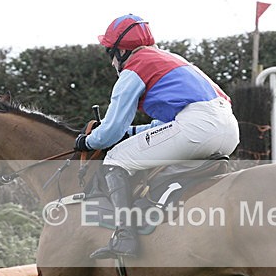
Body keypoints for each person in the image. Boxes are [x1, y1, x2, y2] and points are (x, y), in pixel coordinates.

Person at [74, 14, 239, 260]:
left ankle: (125, 236)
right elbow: (165, 127)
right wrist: (131, 133)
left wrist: (87, 141)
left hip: (197, 127)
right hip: (228, 129)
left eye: (110, 53)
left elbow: (110, 131)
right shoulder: (172, 59)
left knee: (117, 158)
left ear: (120, 51)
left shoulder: (134, 68)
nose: (111, 63)